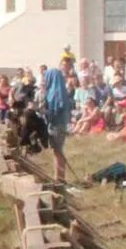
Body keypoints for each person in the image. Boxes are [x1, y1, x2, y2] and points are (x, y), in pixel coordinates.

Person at [41, 52, 75, 182]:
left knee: (58, 151)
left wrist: (45, 113)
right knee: (57, 151)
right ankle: (59, 177)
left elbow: (56, 108)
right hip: (57, 123)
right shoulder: (56, 90)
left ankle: (59, 178)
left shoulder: (55, 92)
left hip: (57, 124)